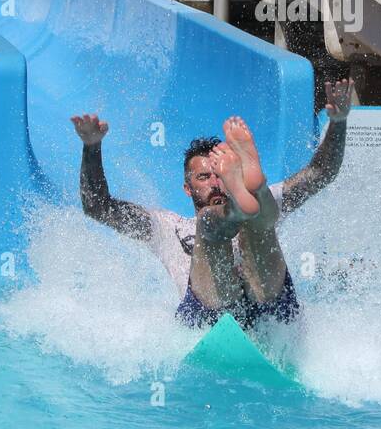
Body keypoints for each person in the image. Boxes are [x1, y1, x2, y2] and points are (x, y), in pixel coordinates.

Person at [71, 79, 353, 330]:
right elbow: (98, 207)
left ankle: (246, 204)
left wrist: (338, 122)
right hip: (209, 316)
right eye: (204, 177)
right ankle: (240, 209)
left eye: (220, 175)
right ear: (187, 188)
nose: (215, 183)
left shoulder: (256, 200)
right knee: (211, 222)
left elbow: (321, 173)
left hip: (271, 307)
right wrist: (92, 147)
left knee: (258, 222)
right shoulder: (167, 227)